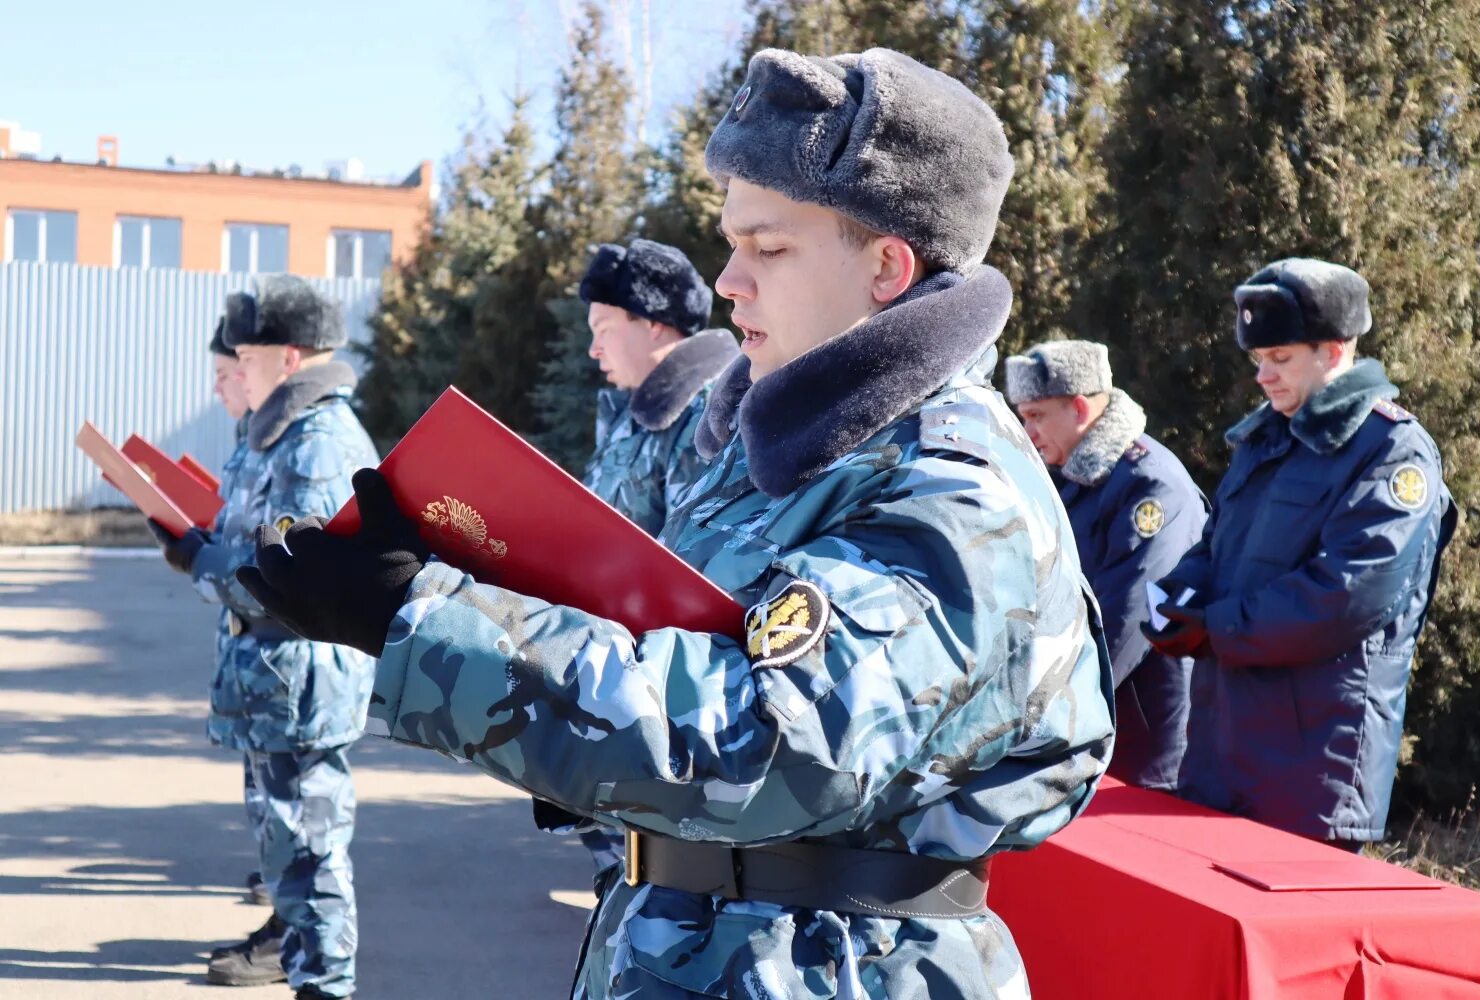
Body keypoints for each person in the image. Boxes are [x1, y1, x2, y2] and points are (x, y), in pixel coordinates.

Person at [240, 47, 1114, 998]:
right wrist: (462, 569)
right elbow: (665, 638)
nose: (730, 279)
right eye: (730, 241)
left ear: (888, 269)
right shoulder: (787, 449)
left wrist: (424, 618)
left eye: (769, 247)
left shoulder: (950, 483)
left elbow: (768, 744)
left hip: (838, 969)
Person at [1147, 258, 1457, 848]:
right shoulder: (1267, 437)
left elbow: (1347, 594)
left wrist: (1214, 630)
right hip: (1223, 747)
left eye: (1281, 358)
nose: (1264, 375)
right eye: (1258, 359)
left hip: (1312, 766)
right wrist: (1177, 602)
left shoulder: (1392, 450)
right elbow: (1218, 545)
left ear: (1334, 350)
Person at [153, 277, 377, 998]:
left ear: (289, 356)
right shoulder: (281, 433)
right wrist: (198, 541)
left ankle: (325, 986)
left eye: (245, 357)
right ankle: (300, 958)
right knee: (288, 843)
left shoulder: (318, 442)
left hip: (300, 678)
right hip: (273, 680)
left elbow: (297, 581)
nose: (236, 369)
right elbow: (249, 538)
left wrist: (202, 560)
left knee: (310, 850)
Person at [548, 238, 740, 872]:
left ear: (654, 323)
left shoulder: (707, 411)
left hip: (653, 692)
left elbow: (689, 570)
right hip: (611, 672)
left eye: (604, 328)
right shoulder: (638, 412)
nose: (593, 348)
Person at [1006, 341, 1208, 791]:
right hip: (1076, 723)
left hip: (1134, 736)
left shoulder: (1151, 485)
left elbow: (1129, 616)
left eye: (1036, 415)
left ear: (1079, 407)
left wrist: (1044, 714)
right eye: (1022, 417)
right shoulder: (1060, 474)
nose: (1027, 430)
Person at [153, 301, 271, 907]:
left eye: (230, 371)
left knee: (297, 808)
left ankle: (294, 917)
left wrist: (201, 554)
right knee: (270, 797)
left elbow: (276, 557)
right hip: (254, 654)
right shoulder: (250, 438)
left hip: (285, 661)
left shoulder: (292, 444)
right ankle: (283, 887)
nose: (223, 384)